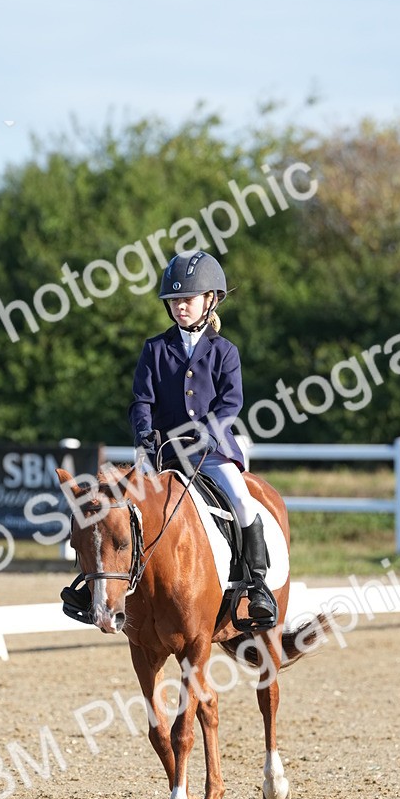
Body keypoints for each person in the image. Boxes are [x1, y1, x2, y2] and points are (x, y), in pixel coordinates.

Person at [128, 250, 278, 627]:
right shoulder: (154, 349)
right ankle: (108, 584)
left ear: (209, 300)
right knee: (124, 506)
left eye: (187, 300)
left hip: (210, 451)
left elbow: (231, 403)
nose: (180, 306)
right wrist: (145, 436)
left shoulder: (225, 351)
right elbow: (141, 400)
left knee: (243, 501)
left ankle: (256, 584)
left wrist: (204, 434)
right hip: (163, 453)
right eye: (174, 301)